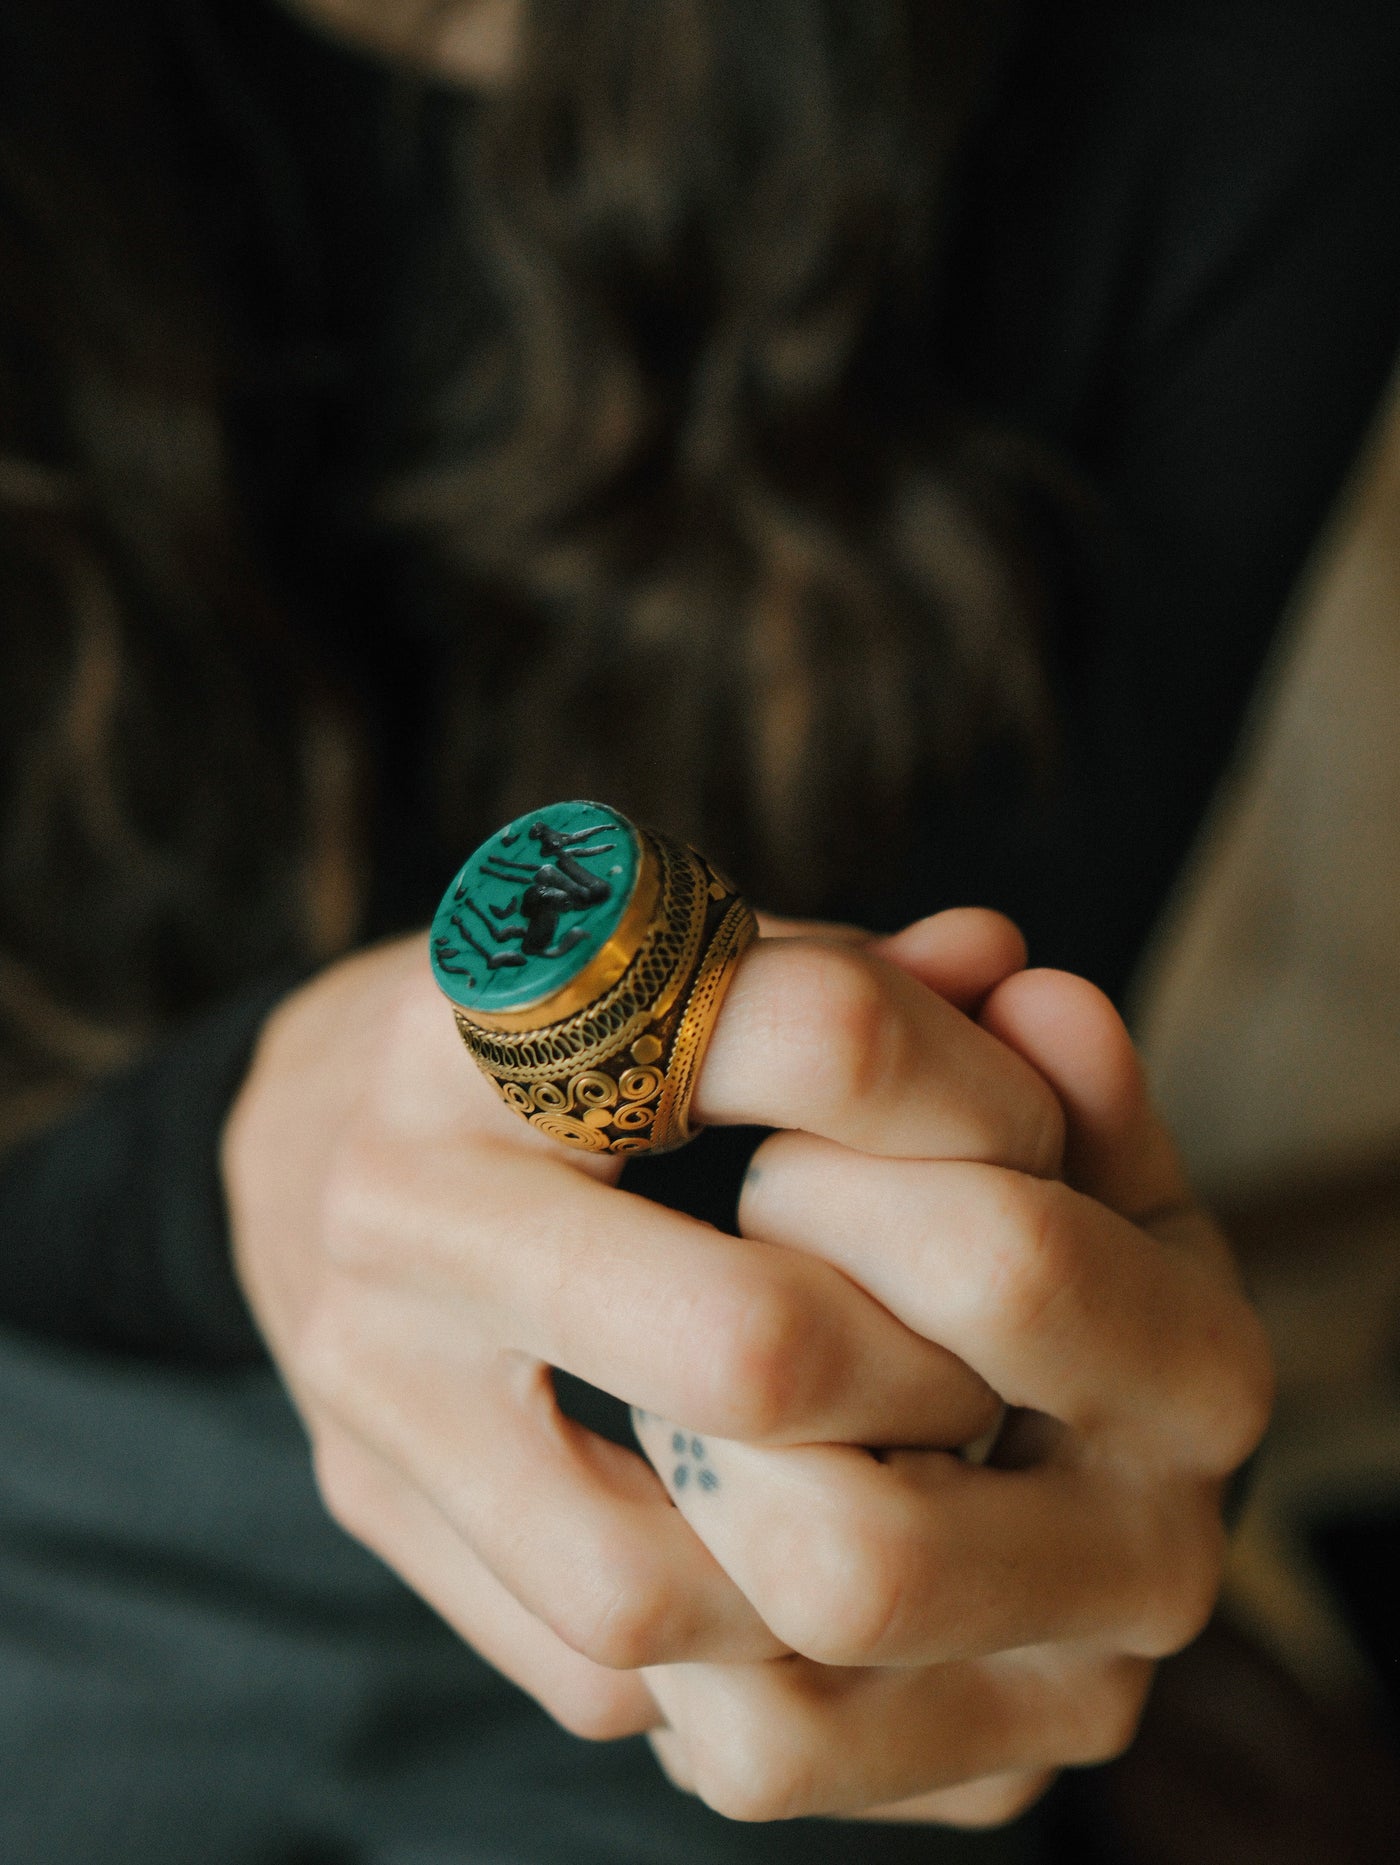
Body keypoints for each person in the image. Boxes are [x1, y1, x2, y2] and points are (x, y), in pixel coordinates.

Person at [0, 1, 1397, 1859]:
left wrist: (1032, 1381)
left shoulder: (1246, 66)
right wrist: (243, 1149)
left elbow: (984, 1034)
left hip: (715, 1500)